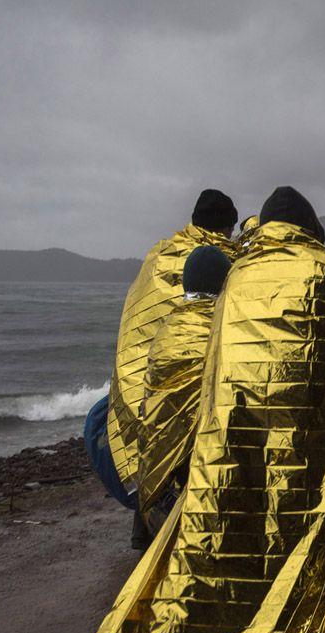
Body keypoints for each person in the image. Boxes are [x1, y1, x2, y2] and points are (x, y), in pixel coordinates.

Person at [18, 185, 325, 633]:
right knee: (301, 539)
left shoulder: (230, 273)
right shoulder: (324, 270)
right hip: (307, 444)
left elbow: (214, 364)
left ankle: (229, 622)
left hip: (232, 442)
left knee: (237, 538)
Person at [107, 189, 238, 548]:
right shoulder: (220, 259)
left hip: (152, 375)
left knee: (154, 442)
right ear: (226, 228)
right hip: (199, 382)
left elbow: (137, 321)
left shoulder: (159, 256)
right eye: (230, 230)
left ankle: (145, 532)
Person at [136, 245, 232, 537]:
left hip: (158, 489)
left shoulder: (167, 331)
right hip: (208, 484)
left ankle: (140, 535)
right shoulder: (226, 328)